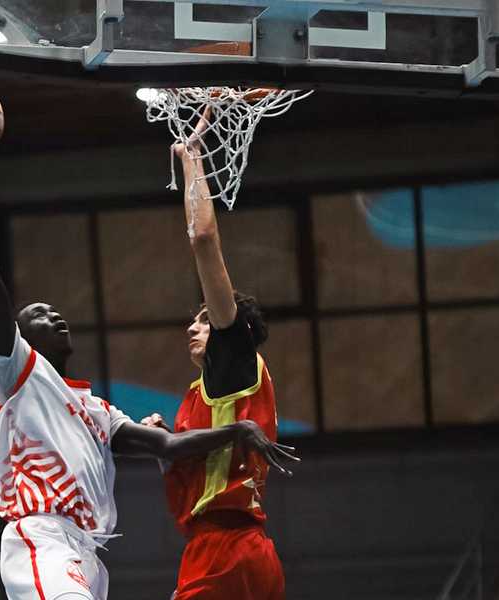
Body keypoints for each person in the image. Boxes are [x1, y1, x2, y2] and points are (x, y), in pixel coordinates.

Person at [0, 112, 298, 600]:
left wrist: (230, 431)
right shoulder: (19, 373)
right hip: (42, 537)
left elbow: (167, 447)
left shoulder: (98, 411)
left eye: (53, 310)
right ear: (19, 337)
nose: (53, 314)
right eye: (37, 314)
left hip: (92, 554)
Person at [142, 111, 298, 600]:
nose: (193, 326)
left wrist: (192, 159)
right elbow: (200, 474)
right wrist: (166, 444)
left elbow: (204, 239)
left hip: (224, 551)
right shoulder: (205, 395)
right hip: (244, 551)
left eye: (205, 319)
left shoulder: (234, 363)